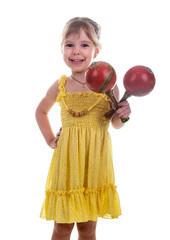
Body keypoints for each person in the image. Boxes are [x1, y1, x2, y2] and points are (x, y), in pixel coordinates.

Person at [35, 17, 131, 240]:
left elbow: (114, 124)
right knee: (62, 228)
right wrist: (50, 140)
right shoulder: (60, 85)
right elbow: (40, 112)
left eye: (84, 45)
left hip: (95, 164)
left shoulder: (108, 84)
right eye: (70, 44)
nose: (76, 51)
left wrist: (123, 115)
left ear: (96, 51)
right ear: (62, 49)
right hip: (68, 165)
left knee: (88, 228)